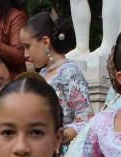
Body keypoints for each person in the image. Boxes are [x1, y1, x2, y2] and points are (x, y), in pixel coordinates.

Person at [20, 12, 92, 145]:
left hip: (63, 155)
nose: (25, 54)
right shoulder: (40, 75)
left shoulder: (70, 73)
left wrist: (60, 137)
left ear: (46, 42)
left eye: (27, 46)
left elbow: (86, 120)